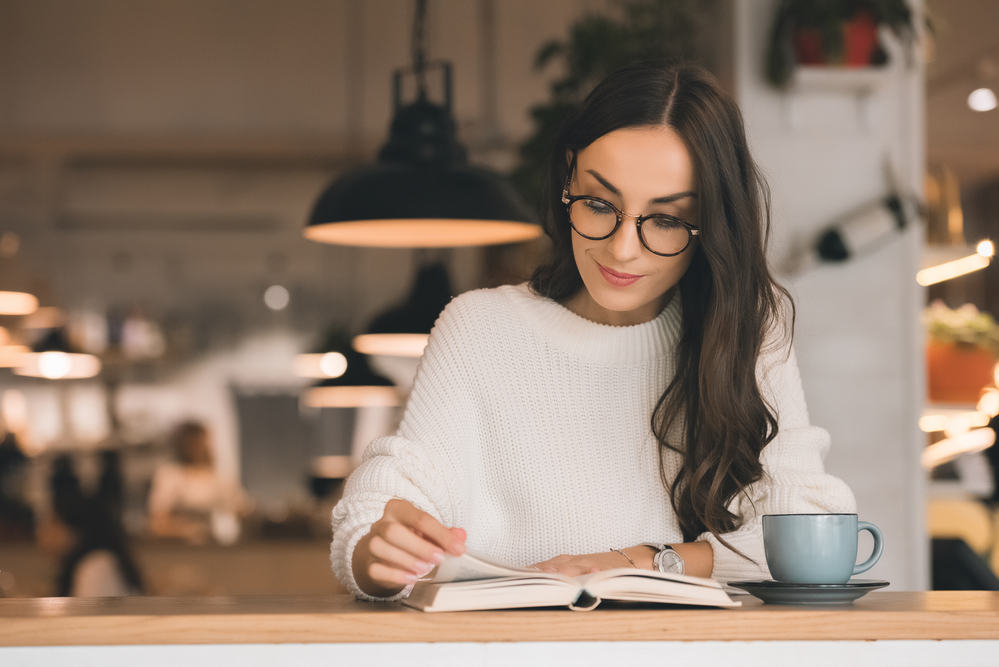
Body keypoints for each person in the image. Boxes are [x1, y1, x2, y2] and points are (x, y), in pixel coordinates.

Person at [331, 62, 856, 601]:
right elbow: (390, 493)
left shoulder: (747, 333)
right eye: (600, 204)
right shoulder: (479, 328)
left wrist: (639, 563)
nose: (622, 249)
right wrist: (377, 551)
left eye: (667, 220)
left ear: (712, 224)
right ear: (568, 176)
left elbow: (807, 527)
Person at [39, 455, 144, 597]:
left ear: (78, 530)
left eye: (54, 523)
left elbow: (84, 619)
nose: (41, 532)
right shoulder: (98, 563)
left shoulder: (96, 569)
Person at [148, 421, 245, 544]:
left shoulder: (220, 478)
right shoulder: (170, 476)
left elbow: (241, 510)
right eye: (193, 441)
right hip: (178, 548)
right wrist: (187, 531)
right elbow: (157, 522)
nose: (198, 446)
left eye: (202, 441)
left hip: (217, 547)